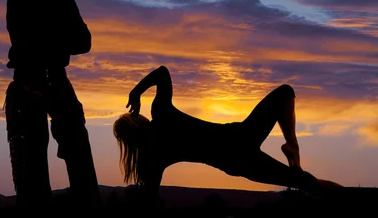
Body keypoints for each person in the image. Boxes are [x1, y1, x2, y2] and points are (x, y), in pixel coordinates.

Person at [113, 66, 342, 200]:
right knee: (285, 92)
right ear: (139, 120)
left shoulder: (152, 157)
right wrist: (136, 92)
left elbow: (151, 197)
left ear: (128, 143)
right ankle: (291, 144)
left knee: (306, 183)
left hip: (237, 163)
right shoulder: (161, 114)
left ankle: (345, 198)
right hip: (240, 136)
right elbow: (162, 73)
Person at [4, 0, 101, 211]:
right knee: (35, 154)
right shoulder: (29, 1)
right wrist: (57, 42)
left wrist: (45, 43)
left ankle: (83, 206)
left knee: (73, 146)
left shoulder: (32, 1)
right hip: (31, 82)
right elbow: (77, 41)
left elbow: (84, 42)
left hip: (48, 79)